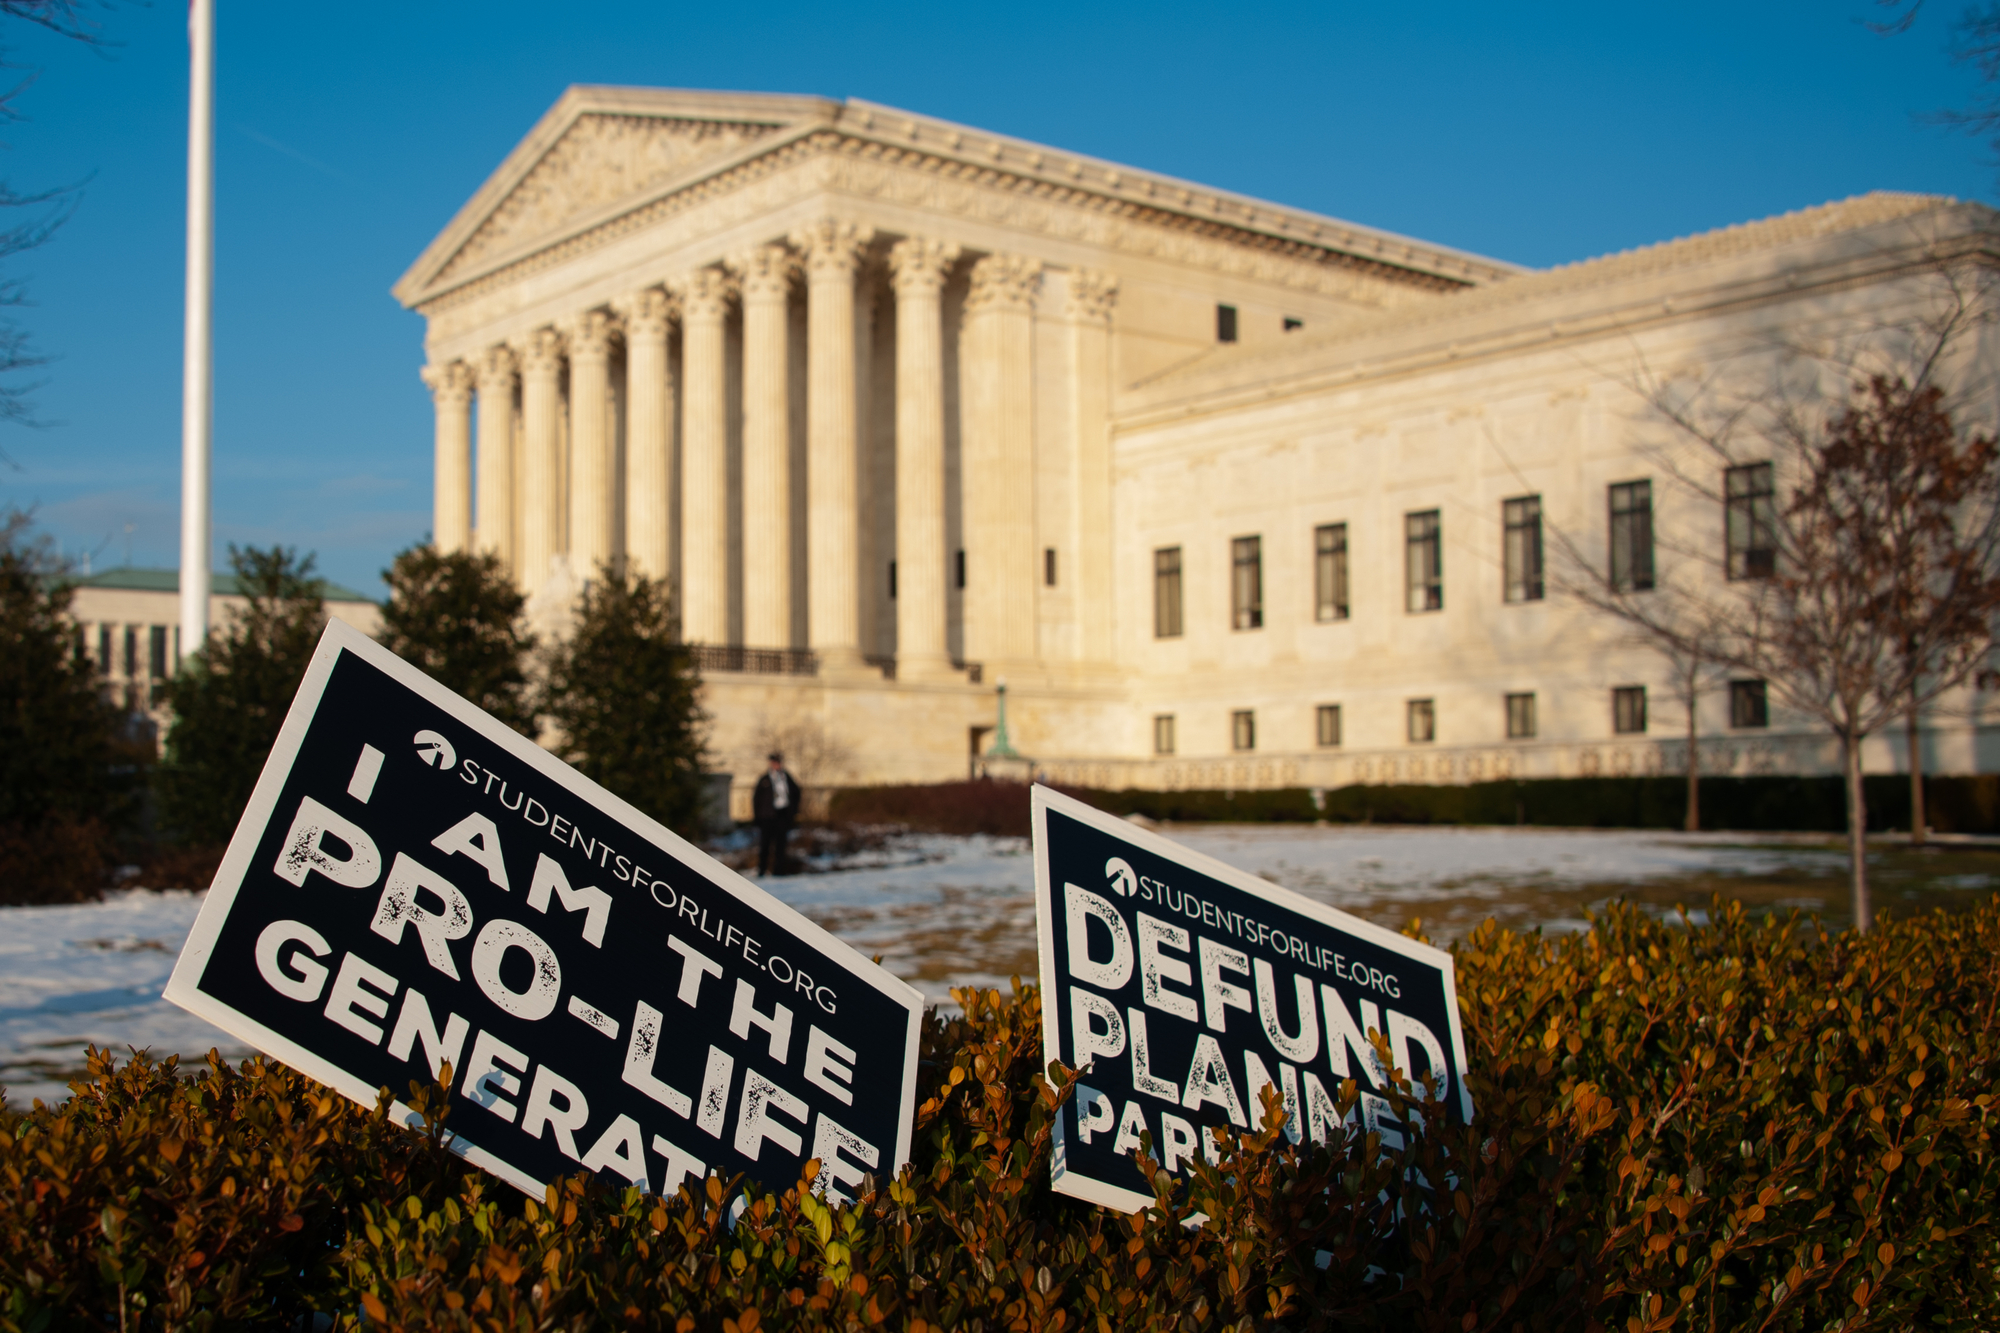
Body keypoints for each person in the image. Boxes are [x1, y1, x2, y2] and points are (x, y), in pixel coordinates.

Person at [751, 751, 799, 876]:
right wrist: (757, 818)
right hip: (767, 817)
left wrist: (793, 812)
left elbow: (796, 793)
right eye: (774, 762)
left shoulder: (786, 777)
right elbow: (756, 799)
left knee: (781, 846)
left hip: (782, 815)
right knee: (765, 845)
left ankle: (779, 871)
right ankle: (762, 870)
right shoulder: (764, 779)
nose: (776, 764)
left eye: (778, 762)